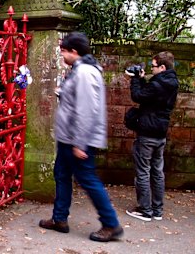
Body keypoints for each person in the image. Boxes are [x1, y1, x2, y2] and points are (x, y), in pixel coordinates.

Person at [39, 32, 124, 242]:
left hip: (77, 140)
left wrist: (80, 143)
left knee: (88, 180)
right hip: (68, 137)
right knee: (61, 175)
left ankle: (111, 224)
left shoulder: (85, 72)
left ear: (74, 51)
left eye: (63, 52)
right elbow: (76, 100)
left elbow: (86, 110)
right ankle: (59, 219)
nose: (62, 56)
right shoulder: (79, 70)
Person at [125, 52, 179, 221]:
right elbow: (149, 97)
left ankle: (145, 210)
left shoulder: (157, 84)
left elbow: (138, 96)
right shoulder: (171, 82)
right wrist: (142, 80)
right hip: (160, 133)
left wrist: (135, 79)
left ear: (162, 67)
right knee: (157, 172)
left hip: (147, 133)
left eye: (154, 66)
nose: (151, 69)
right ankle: (157, 210)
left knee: (143, 171)